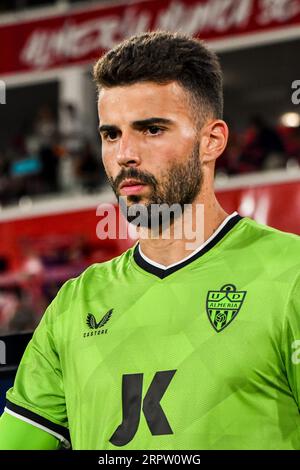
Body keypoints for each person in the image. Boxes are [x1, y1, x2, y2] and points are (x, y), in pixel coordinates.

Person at [0, 31, 299, 451]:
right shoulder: (73, 305)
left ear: (211, 141)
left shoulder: (291, 274)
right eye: (111, 134)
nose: (125, 154)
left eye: (152, 129)